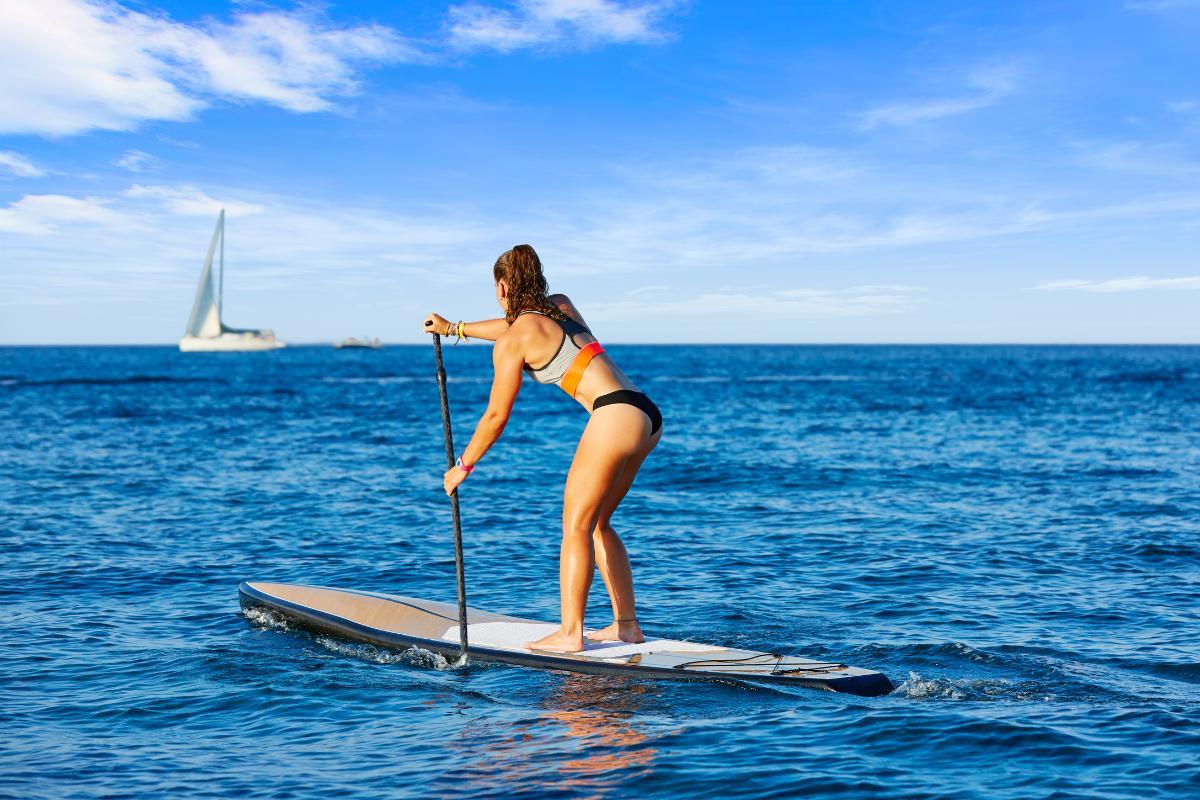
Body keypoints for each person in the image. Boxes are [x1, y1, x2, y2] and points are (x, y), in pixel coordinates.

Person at [423, 244, 662, 653]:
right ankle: (626, 627)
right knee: (599, 522)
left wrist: (463, 465)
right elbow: (513, 325)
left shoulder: (514, 341)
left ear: (501, 286)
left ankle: (571, 634)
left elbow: (496, 416)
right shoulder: (562, 306)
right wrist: (454, 329)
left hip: (612, 415)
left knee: (575, 526)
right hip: (645, 413)